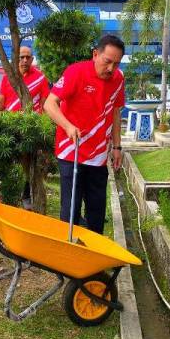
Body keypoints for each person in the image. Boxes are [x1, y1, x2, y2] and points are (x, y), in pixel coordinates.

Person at [44, 35, 125, 234]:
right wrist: (68, 126)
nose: (111, 69)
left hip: (98, 156)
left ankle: (93, 258)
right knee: (70, 210)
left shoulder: (118, 79)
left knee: (96, 211)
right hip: (71, 151)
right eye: (107, 62)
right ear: (95, 54)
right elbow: (49, 104)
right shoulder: (76, 72)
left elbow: (115, 112)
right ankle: (67, 255)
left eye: (116, 63)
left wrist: (117, 146)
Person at [0, 46, 50, 209]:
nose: (25, 60)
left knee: (26, 163)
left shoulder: (40, 78)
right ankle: (7, 195)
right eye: (21, 57)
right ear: (16, 59)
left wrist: (44, 131)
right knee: (8, 162)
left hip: (29, 129)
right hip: (9, 128)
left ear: (32, 59)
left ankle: (26, 195)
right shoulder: (8, 77)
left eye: (28, 57)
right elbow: (1, 102)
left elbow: (45, 105)